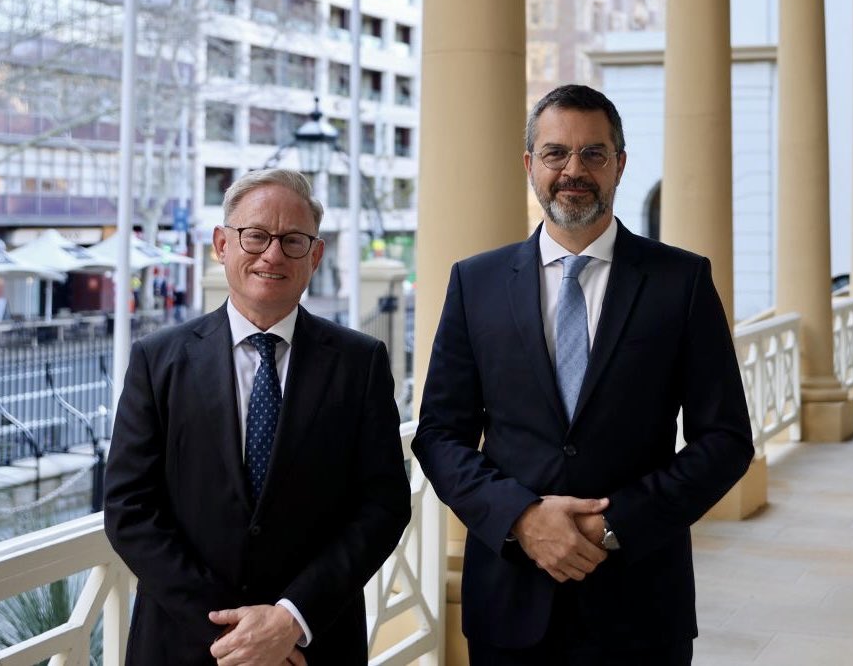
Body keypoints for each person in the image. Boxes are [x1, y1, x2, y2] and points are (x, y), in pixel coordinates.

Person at [413, 85, 753, 665]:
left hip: (641, 602)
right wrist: (521, 517)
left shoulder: (682, 282)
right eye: (555, 154)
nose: (574, 170)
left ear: (619, 164)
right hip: (509, 602)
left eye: (593, 154)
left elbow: (724, 440)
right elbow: (440, 434)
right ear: (530, 165)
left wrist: (616, 524)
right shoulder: (476, 283)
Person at [104, 168, 411, 665]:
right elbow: (129, 508)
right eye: (256, 236)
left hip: (311, 643)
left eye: (293, 240)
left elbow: (383, 505)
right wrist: (239, 631)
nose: (272, 254)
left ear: (315, 256)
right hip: (185, 643)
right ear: (222, 244)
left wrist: (290, 619)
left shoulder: (360, 363)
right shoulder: (157, 360)